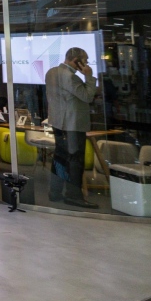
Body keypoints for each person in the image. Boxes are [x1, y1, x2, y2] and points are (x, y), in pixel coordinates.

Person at [46, 47, 98, 209]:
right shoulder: (70, 77)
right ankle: (74, 196)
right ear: (77, 61)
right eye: (85, 61)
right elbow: (87, 96)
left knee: (60, 158)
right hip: (72, 124)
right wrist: (89, 76)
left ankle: (55, 192)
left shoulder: (51, 72)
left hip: (58, 122)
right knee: (75, 160)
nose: (87, 64)